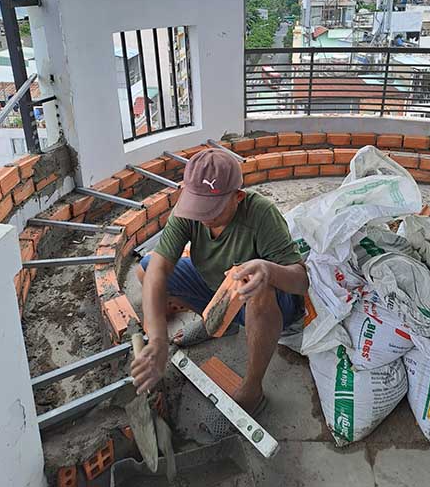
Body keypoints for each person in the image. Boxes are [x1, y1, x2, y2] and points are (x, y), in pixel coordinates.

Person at [131, 148, 309, 420]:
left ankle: (252, 390)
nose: (202, 217)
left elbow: (300, 281)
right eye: (197, 206)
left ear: (237, 197)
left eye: (211, 211)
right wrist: (157, 339)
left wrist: (267, 270)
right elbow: (158, 271)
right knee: (146, 270)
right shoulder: (188, 214)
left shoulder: (261, 214)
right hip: (221, 291)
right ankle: (215, 322)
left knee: (256, 285)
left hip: (268, 306)